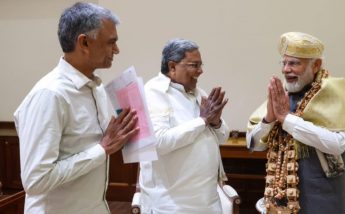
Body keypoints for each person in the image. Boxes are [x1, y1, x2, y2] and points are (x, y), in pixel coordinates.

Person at [13, 2, 139, 213]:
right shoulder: (50, 94)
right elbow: (35, 181)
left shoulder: (95, 88)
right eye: (111, 42)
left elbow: (86, 145)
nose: (116, 50)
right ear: (84, 43)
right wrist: (102, 149)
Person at [246, 32, 345, 214]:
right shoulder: (282, 94)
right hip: (282, 199)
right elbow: (254, 144)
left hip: (324, 198)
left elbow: (338, 144)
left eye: (294, 63)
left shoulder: (335, 90)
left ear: (316, 65)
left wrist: (287, 119)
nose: (286, 69)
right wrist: (269, 119)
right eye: (284, 63)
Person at [139, 38, 229, 213]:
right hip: (172, 205)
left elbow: (223, 137)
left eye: (201, 65)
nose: (200, 71)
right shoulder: (154, 92)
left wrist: (216, 122)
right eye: (194, 65)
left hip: (207, 201)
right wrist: (202, 121)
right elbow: (158, 142)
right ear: (172, 67)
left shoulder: (198, 92)